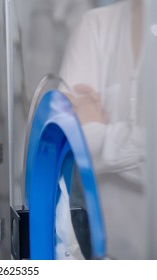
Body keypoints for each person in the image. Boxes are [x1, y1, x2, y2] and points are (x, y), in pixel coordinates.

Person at [59, 0, 147, 259]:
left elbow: (88, 139)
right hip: (102, 250)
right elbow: (69, 142)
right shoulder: (95, 27)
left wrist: (100, 135)